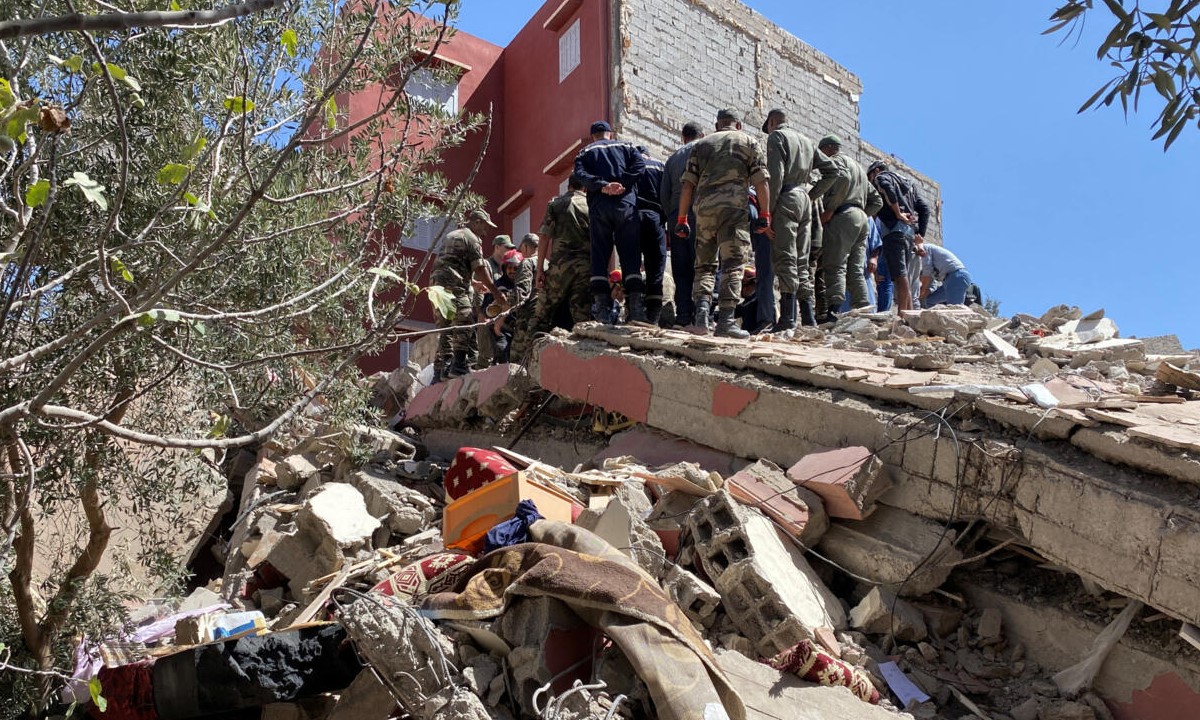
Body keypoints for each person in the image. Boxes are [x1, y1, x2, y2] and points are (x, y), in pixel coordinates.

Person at [675, 109, 772, 339]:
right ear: (738, 125)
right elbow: (761, 181)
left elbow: (687, 185)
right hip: (733, 211)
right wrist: (765, 214)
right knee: (733, 264)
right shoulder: (748, 141)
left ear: (717, 126)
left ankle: (701, 319)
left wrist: (681, 219)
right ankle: (726, 321)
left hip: (704, 212)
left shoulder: (701, 144)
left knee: (705, 265)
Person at [761, 109, 838, 330]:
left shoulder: (777, 137)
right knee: (802, 262)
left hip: (786, 198)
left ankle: (787, 318)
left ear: (772, 122)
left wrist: (767, 213)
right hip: (804, 200)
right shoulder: (807, 141)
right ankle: (808, 317)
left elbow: (776, 176)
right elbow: (832, 171)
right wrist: (812, 195)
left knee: (785, 256)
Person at [512, 175, 591, 361]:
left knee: (541, 315)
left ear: (569, 186)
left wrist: (540, 269)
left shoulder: (556, 204)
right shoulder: (592, 205)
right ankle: (584, 362)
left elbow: (544, 237)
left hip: (559, 268)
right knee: (583, 319)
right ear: (585, 188)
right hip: (586, 268)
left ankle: (527, 361)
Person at [573, 120, 645, 322]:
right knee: (630, 254)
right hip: (625, 204)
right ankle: (635, 310)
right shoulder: (627, 146)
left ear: (593, 136)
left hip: (600, 207)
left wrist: (603, 185)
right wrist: (622, 184)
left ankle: (603, 310)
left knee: (600, 253)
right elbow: (640, 166)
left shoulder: (585, 152)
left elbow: (579, 174)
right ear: (610, 134)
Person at [430, 208, 504, 381]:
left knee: (445, 325)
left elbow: (451, 263)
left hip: (436, 285)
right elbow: (480, 269)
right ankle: (458, 365)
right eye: (485, 226)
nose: (486, 231)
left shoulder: (452, 235)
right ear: (477, 222)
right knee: (465, 320)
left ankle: (444, 369)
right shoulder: (472, 238)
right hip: (453, 285)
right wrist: (496, 293)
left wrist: (472, 283)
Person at [816, 135, 882, 323]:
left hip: (843, 217)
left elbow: (843, 178)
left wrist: (831, 209)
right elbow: (877, 201)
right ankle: (863, 307)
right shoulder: (859, 169)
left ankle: (833, 311)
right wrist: (862, 214)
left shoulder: (837, 161)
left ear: (828, 148)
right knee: (855, 269)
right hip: (861, 220)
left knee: (835, 264)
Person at [867, 160, 931, 313]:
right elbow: (924, 209)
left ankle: (902, 314)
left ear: (876, 171)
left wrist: (897, 213)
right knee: (903, 275)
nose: (871, 182)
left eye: (870, 177)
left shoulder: (881, 177)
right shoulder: (909, 184)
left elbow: (887, 188)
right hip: (908, 234)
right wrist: (919, 235)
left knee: (900, 275)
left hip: (894, 232)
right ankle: (909, 314)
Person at [659, 121, 704, 326]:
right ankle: (703, 314)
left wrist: (672, 216)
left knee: (681, 266)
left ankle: (684, 314)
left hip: (677, 218)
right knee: (703, 264)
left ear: (683, 138)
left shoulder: (673, 158)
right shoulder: (705, 151)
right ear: (702, 135)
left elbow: (664, 194)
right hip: (701, 215)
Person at [635, 146, 668, 324]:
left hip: (632, 219)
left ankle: (634, 311)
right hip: (655, 218)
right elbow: (667, 195)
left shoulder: (630, 166)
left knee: (632, 265)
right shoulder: (660, 166)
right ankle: (653, 316)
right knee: (655, 265)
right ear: (648, 155)